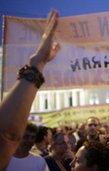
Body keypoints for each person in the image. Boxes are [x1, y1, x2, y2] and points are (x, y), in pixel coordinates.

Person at [0, 10, 59, 170]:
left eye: (30, 136)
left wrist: (38, 63)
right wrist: (37, 64)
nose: (27, 140)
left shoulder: (39, 162)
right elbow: (7, 135)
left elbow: (7, 135)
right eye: (25, 135)